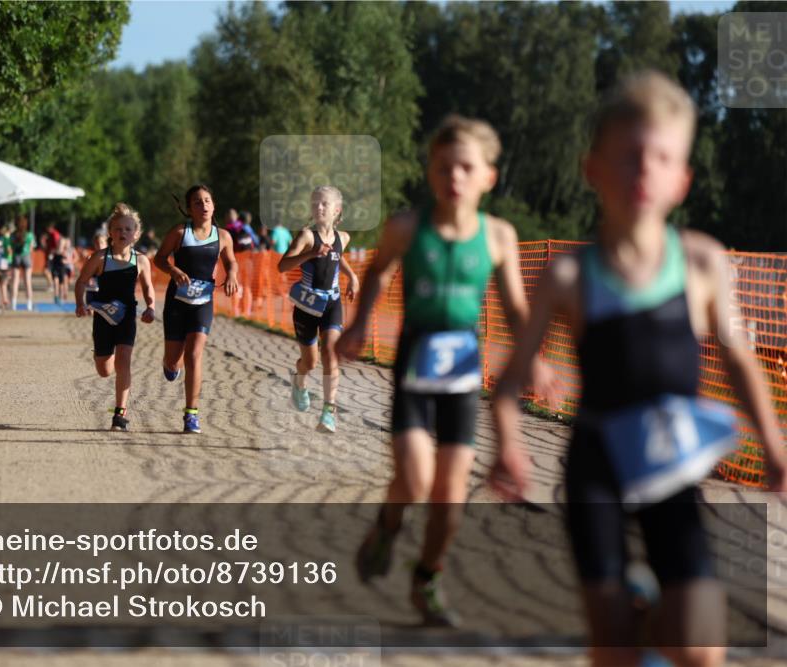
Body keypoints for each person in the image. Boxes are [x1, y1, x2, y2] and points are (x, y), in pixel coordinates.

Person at [489, 71, 787, 667]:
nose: (643, 171)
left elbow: (736, 360)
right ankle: (633, 623)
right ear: (591, 168)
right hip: (597, 467)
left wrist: (776, 451)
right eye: (627, 157)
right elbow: (508, 384)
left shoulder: (702, 261)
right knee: (613, 647)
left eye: (661, 157)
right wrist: (509, 446)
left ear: (683, 179)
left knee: (701, 650)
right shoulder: (569, 277)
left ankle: (654, 616)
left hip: (670, 463)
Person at [336, 114, 558, 626]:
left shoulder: (499, 236)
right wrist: (360, 323)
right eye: (442, 167)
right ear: (430, 172)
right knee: (413, 480)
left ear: (488, 177)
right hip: (415, 364)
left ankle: (428, 578)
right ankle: (388, 525)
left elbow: (515, 308)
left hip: (461, 373)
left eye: (465, 167)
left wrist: (535, 359)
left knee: (450, 497)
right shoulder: (406, 228)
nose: (453, 177)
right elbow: (378, 270)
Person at [154, 184, 240, 434]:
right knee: (174, 360)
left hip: (203, 302)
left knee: (194, 354)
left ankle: (191, 414)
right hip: (177, 303)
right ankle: (170, 365)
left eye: (207, 201)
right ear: (189, 209)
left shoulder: (223, 236)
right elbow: (159, 258)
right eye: (197, 202)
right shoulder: (180, 232)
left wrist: (233, 274)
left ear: (213, 205)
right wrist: (174, 270)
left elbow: (231, 261)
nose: (203, 205)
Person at [278, 186, 359, 433]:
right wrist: (311, 253)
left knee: (330, 354)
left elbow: (337, 256)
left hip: (331, 304)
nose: (318, 208)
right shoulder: (306, 236)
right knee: (310, 362)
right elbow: (282, 266)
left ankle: (328, 412)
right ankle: (299, 382)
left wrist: (352, 277)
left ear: (337, 210)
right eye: (315, 203)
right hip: (306, 305)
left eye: (324, 204)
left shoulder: (343, 238)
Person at [75, 203, 156, 431]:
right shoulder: (100, 257)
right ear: (110, 232)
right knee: (104, 370)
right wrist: (80, 303)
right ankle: (100, 355)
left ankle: (120, 414)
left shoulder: (141, 260)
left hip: (127, 315)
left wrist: (150, 307)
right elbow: (82, 281)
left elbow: (148, 287)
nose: (123, 233)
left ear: (136, 234)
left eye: (128, 229)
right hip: (103, 317)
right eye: (118, 229)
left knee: (124, 360)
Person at [11, 215, 36, 311]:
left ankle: (13, 304)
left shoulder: (13, 235)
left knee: (15, 282)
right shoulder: (29, 235)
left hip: (16, 257)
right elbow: (31, 248)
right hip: (26, 257)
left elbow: (11, 247)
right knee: (28, 282)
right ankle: (29, 304)